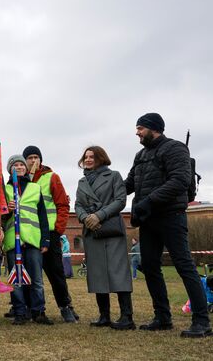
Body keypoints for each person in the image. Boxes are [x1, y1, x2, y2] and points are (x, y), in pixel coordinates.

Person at [125, 113, 211, 337]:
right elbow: (129, 183)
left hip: (171, 216)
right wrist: (104, 193)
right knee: (150, 267)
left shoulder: (175, 149)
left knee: (184, 266)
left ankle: (202, 320)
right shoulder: (140, 155)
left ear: (154, 129)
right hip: (148, 218)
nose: (137, 132)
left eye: (140, 128)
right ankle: (162, 317)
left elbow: (180, 180)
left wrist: (149, 201)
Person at [74, 146, 135, 330]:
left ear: (101, 158)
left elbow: (120, 200)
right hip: (92, 232)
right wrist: (86, 218)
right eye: (86, 157)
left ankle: (127, 317)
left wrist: (99, 215)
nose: (88, 159)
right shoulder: (82, 181)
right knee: (98, 273)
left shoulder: (114, 176)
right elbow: (77, 205)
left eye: (92, 156)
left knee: (118, 272)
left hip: (110, 229)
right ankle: (104, 316)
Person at [22, 145, 78, 323]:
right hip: (29, 233)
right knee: (29, 273)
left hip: (50, 233)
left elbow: (62, 205)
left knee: (56, 272)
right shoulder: (19, 180)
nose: (33, 161)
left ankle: (65, 306)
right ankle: (31, 308)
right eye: (29, 158)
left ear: (41, 160)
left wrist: (59, 228)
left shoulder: (51, 177)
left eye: (35, 157)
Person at [3, 155, 51, 325]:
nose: (19, 167)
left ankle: (39, 311)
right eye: (15, 165)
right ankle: (19, 312)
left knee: (36, 279)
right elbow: (0, 217)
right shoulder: (5, 189)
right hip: (12, 242)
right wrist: (7, 210)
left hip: (32, 240)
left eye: (21, 165)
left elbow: (42, 217)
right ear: (10, 169)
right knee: (15, 280)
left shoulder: (34, 188)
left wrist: (45, 240)